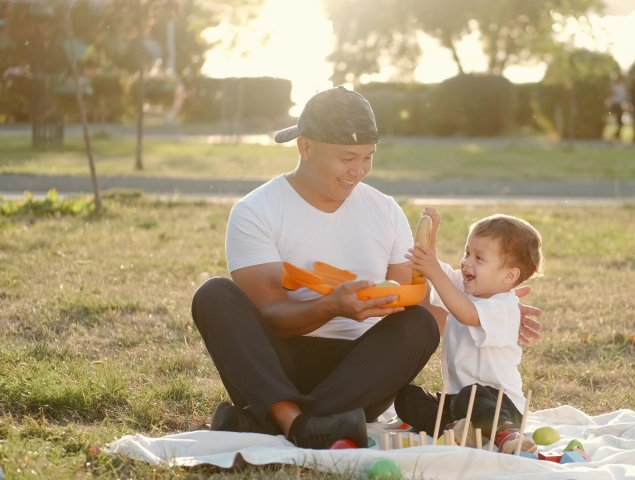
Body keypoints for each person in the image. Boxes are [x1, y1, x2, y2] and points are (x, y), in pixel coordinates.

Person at [191, 86, 544, 449]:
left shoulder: (385, 210)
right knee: (213, 294)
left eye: (368, 157)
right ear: (306, 147)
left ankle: (268, 421)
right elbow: (271, 314)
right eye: (347, 158)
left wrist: (491, 308)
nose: (358, 170)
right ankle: (295, 421)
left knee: (418, 323)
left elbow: (416, 304)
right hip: (275, 367)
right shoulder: (256, 211)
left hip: (359, 375)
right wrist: (331, 306)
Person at [395, 207, 544, 454]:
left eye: (479, 258)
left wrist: (433, 270)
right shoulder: (466, 289)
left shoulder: (504, 308)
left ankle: (506, 434)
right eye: (467, 253)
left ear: (509, 275)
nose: (466, 262)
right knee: (407, 396)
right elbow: (439, 274)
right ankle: (452, 429)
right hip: (459, 402)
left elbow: (466, 314)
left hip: (500, 405)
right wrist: (431, 237)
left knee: (472, 394)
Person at [610, 73, 628, 140]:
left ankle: (617, 135)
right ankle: (616, 135)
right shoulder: (615, 87)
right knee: (618, 121)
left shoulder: (622, 87)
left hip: (620, 105)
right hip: (615, 105)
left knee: (620, 121)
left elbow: (624, 97)